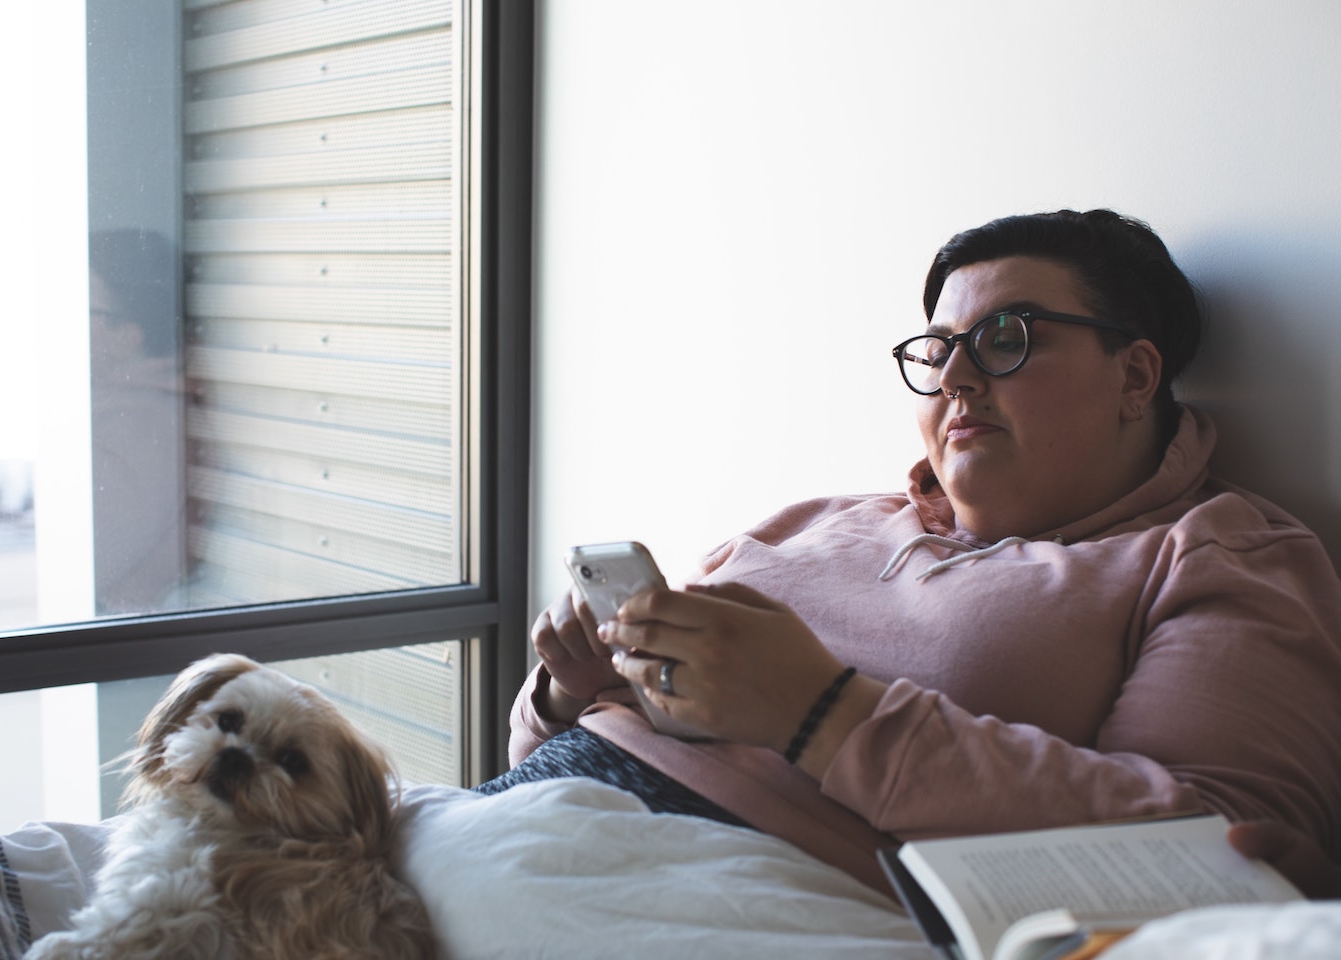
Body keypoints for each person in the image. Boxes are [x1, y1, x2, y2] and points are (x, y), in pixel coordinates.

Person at [478, 209, 1341, 895]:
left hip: (747, 881)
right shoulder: (811, 520)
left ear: (1136, 376)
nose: (957, 378)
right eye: (938, 351)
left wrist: (823, 713)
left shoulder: (1219, 554)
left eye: (1007, 339)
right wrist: (567, 691)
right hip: (531, 812)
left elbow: (1227, 860)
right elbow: (535, 753)